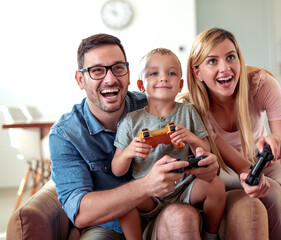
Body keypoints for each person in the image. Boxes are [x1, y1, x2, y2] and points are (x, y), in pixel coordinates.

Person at [49, 33, 269, 240]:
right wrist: (144, 183)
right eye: (97, 70)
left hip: (181, 194)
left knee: (203, 198)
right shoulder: (66, 134)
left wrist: (207, 164)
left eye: (117, 68)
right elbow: (79, 212)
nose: (109, 79)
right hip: (111, 222)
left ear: (128, 74)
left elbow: (207, 145)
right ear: (80, 79)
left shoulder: (165, 103)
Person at [186, 27, 281, 240]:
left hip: (261, 157)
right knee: (272, 193)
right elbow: (241, 167)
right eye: (212, 61)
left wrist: (280, 145)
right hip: (227, 169)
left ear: (239, 60)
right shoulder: (194, 108)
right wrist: (252, 177)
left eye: (231, 57)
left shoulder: (261, 84)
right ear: (197, 72)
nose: (225, 68)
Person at [111, 48, 226, 240]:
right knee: (124, 201)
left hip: (184, 186)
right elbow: (117, 169)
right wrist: (129, 152)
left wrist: (190, 138)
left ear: (180, 84)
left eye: (171, 73)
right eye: (154, 73)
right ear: (141, 85)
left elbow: (205, 150)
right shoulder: (131, 121)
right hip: (149, 193)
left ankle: (211, 234)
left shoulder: (188, 111)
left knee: (217, 185)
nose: (163, 78)